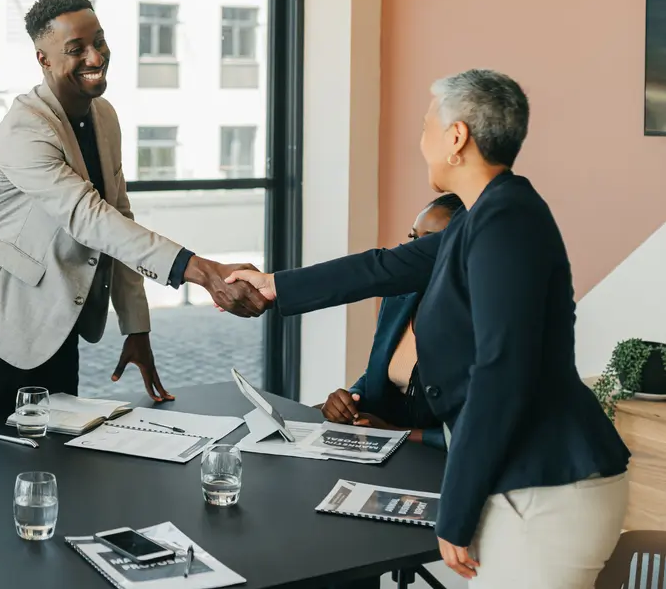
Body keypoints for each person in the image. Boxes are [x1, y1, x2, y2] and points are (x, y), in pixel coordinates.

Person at [222, 69, 630, 587]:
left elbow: (500, 375)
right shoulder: (483, 218)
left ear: (456, 137)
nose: (420, 141)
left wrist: (454, 512)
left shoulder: (507, 222)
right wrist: (274, 284)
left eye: (424, 127)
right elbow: (385, 266)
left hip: (547, 487)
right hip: (524, 480)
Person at [0, 0, 267, 416]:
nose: (95, 57)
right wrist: (204, 271)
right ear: (44, 59)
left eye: (100, 41)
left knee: (60, 450)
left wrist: (137, 329)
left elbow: (119, 217)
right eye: (76, 49)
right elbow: (90, 219)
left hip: (58, 317)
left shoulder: (104, 116)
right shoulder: (24, 129)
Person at [321, 193, 462, 450]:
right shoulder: (399, 294)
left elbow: (486, 428)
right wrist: (349, 399)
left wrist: (395, 434)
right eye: (412, 239)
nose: (413, 252)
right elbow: (383, 372)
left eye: (428, 244)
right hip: (383, 443)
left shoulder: (480, 316)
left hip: (444, 460)